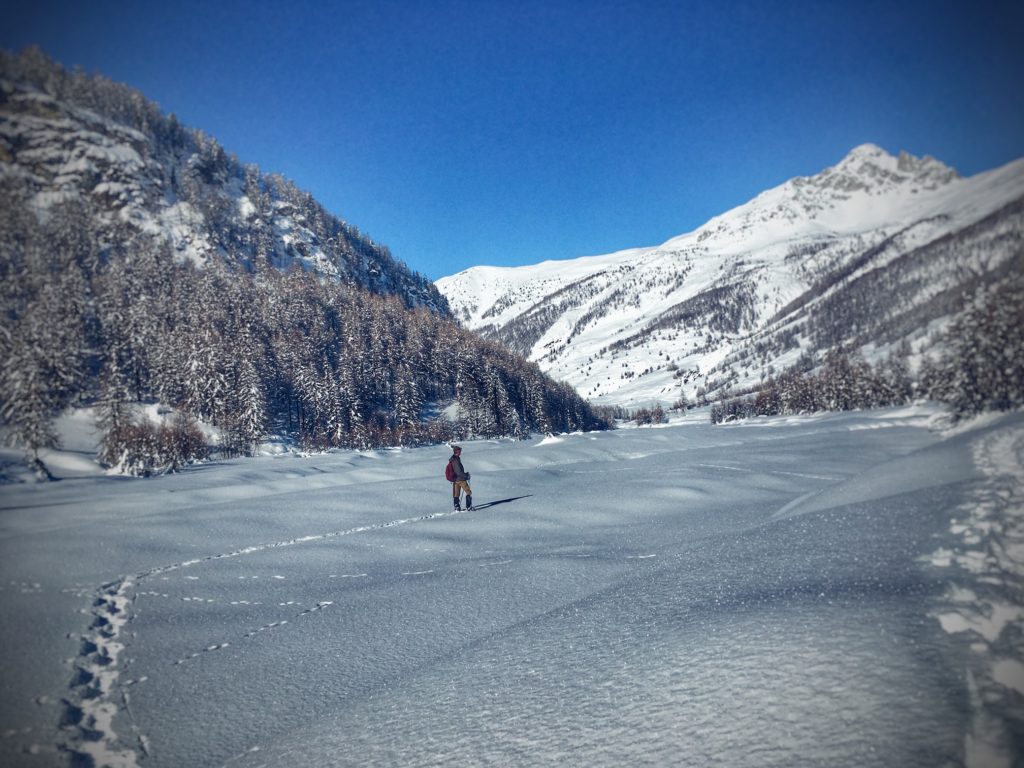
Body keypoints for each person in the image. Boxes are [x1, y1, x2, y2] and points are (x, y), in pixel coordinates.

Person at [448, 445, 473, 510]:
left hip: (455, 480)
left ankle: (457, 507)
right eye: (460, 451)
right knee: (468, 492)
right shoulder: (456, 460)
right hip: (461, 479)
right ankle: (469, 507)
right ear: (457, 451)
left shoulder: (453, 459)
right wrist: (466, 476)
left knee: (456, 494)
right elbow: (459, 472)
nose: (460, 453)